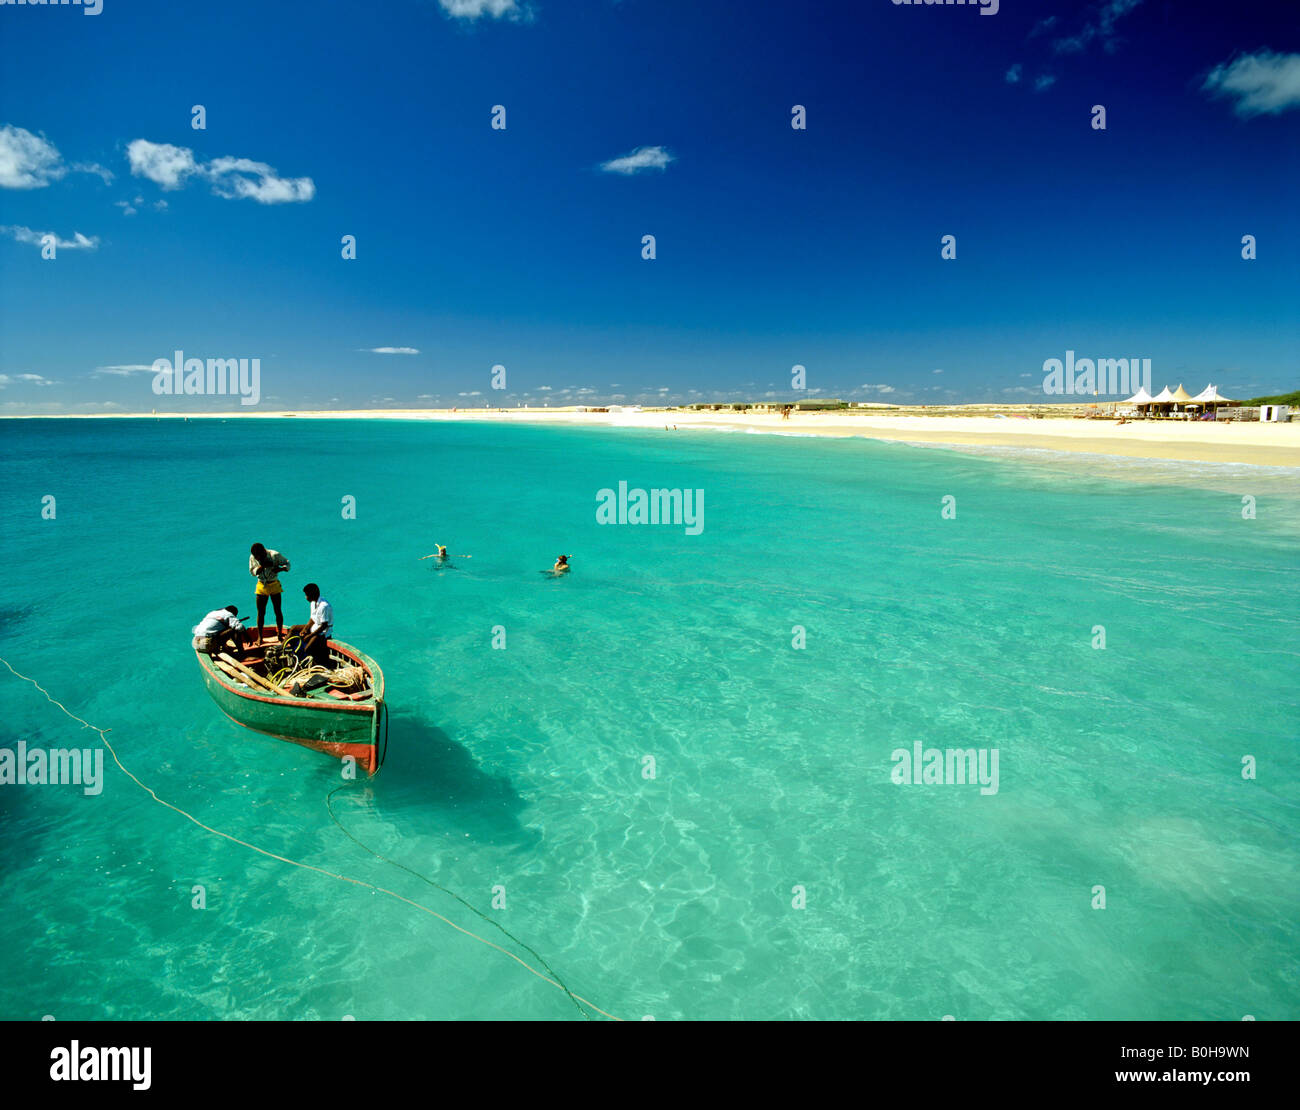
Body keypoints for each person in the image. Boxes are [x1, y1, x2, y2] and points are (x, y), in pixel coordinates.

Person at [249, 542, 290, 645]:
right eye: (256, 558)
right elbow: (252, 572)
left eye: (259, 557)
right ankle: (260, 637)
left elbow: (287, 563)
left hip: (274, 584)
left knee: (277, 610)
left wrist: (281, 569)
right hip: (261, 584)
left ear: (263, 552)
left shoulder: (274, 555)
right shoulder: (253, 557)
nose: (257, 559)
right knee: (261, 612)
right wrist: (261, 567)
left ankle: (280, 634)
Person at [288, 583, 333, 668]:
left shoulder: (324, 606)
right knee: (293, 628)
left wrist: (309, 636)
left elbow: (323, 626)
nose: (305, 597)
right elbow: (312, 618)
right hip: (315, 627)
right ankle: (282, 647)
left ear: (312, 595)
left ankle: (310, 663)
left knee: (307, 648)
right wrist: (305, 629)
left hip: (322, 632)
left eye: (306, 595)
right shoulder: (313, 603)